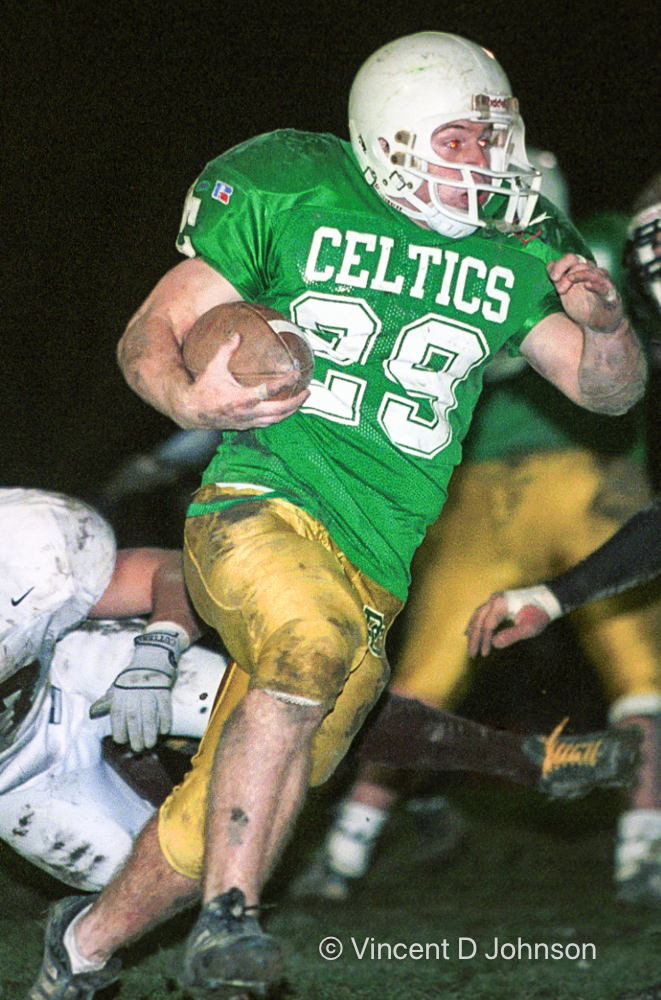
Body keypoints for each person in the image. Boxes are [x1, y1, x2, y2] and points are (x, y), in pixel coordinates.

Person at [28, 32, 647, 1000]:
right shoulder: (294, 187)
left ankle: (84, 945)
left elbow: (608, 394)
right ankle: (233, 922)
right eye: (458, 140)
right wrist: (186, 399)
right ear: (389, 135)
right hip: (260, 505)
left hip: (377, 558)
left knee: (238, 791)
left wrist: (607, 327)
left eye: (494, 139)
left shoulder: (519, 238)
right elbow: (156, 326)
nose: (486, 162)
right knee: (305, 648)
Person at [289, 170, 661, 906]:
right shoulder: (598, 242)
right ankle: (643, 855)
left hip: (488, 494)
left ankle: (343, 852)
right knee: (641, 679)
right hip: (587, 483)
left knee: (421, 679)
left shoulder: (442, 258)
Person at [0, 486, 231, 893]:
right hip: (18, 770)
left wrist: (158, 652)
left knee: (239, 705)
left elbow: (166, 571)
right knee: (147, 886)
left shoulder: (24, 541)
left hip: (68, 663)